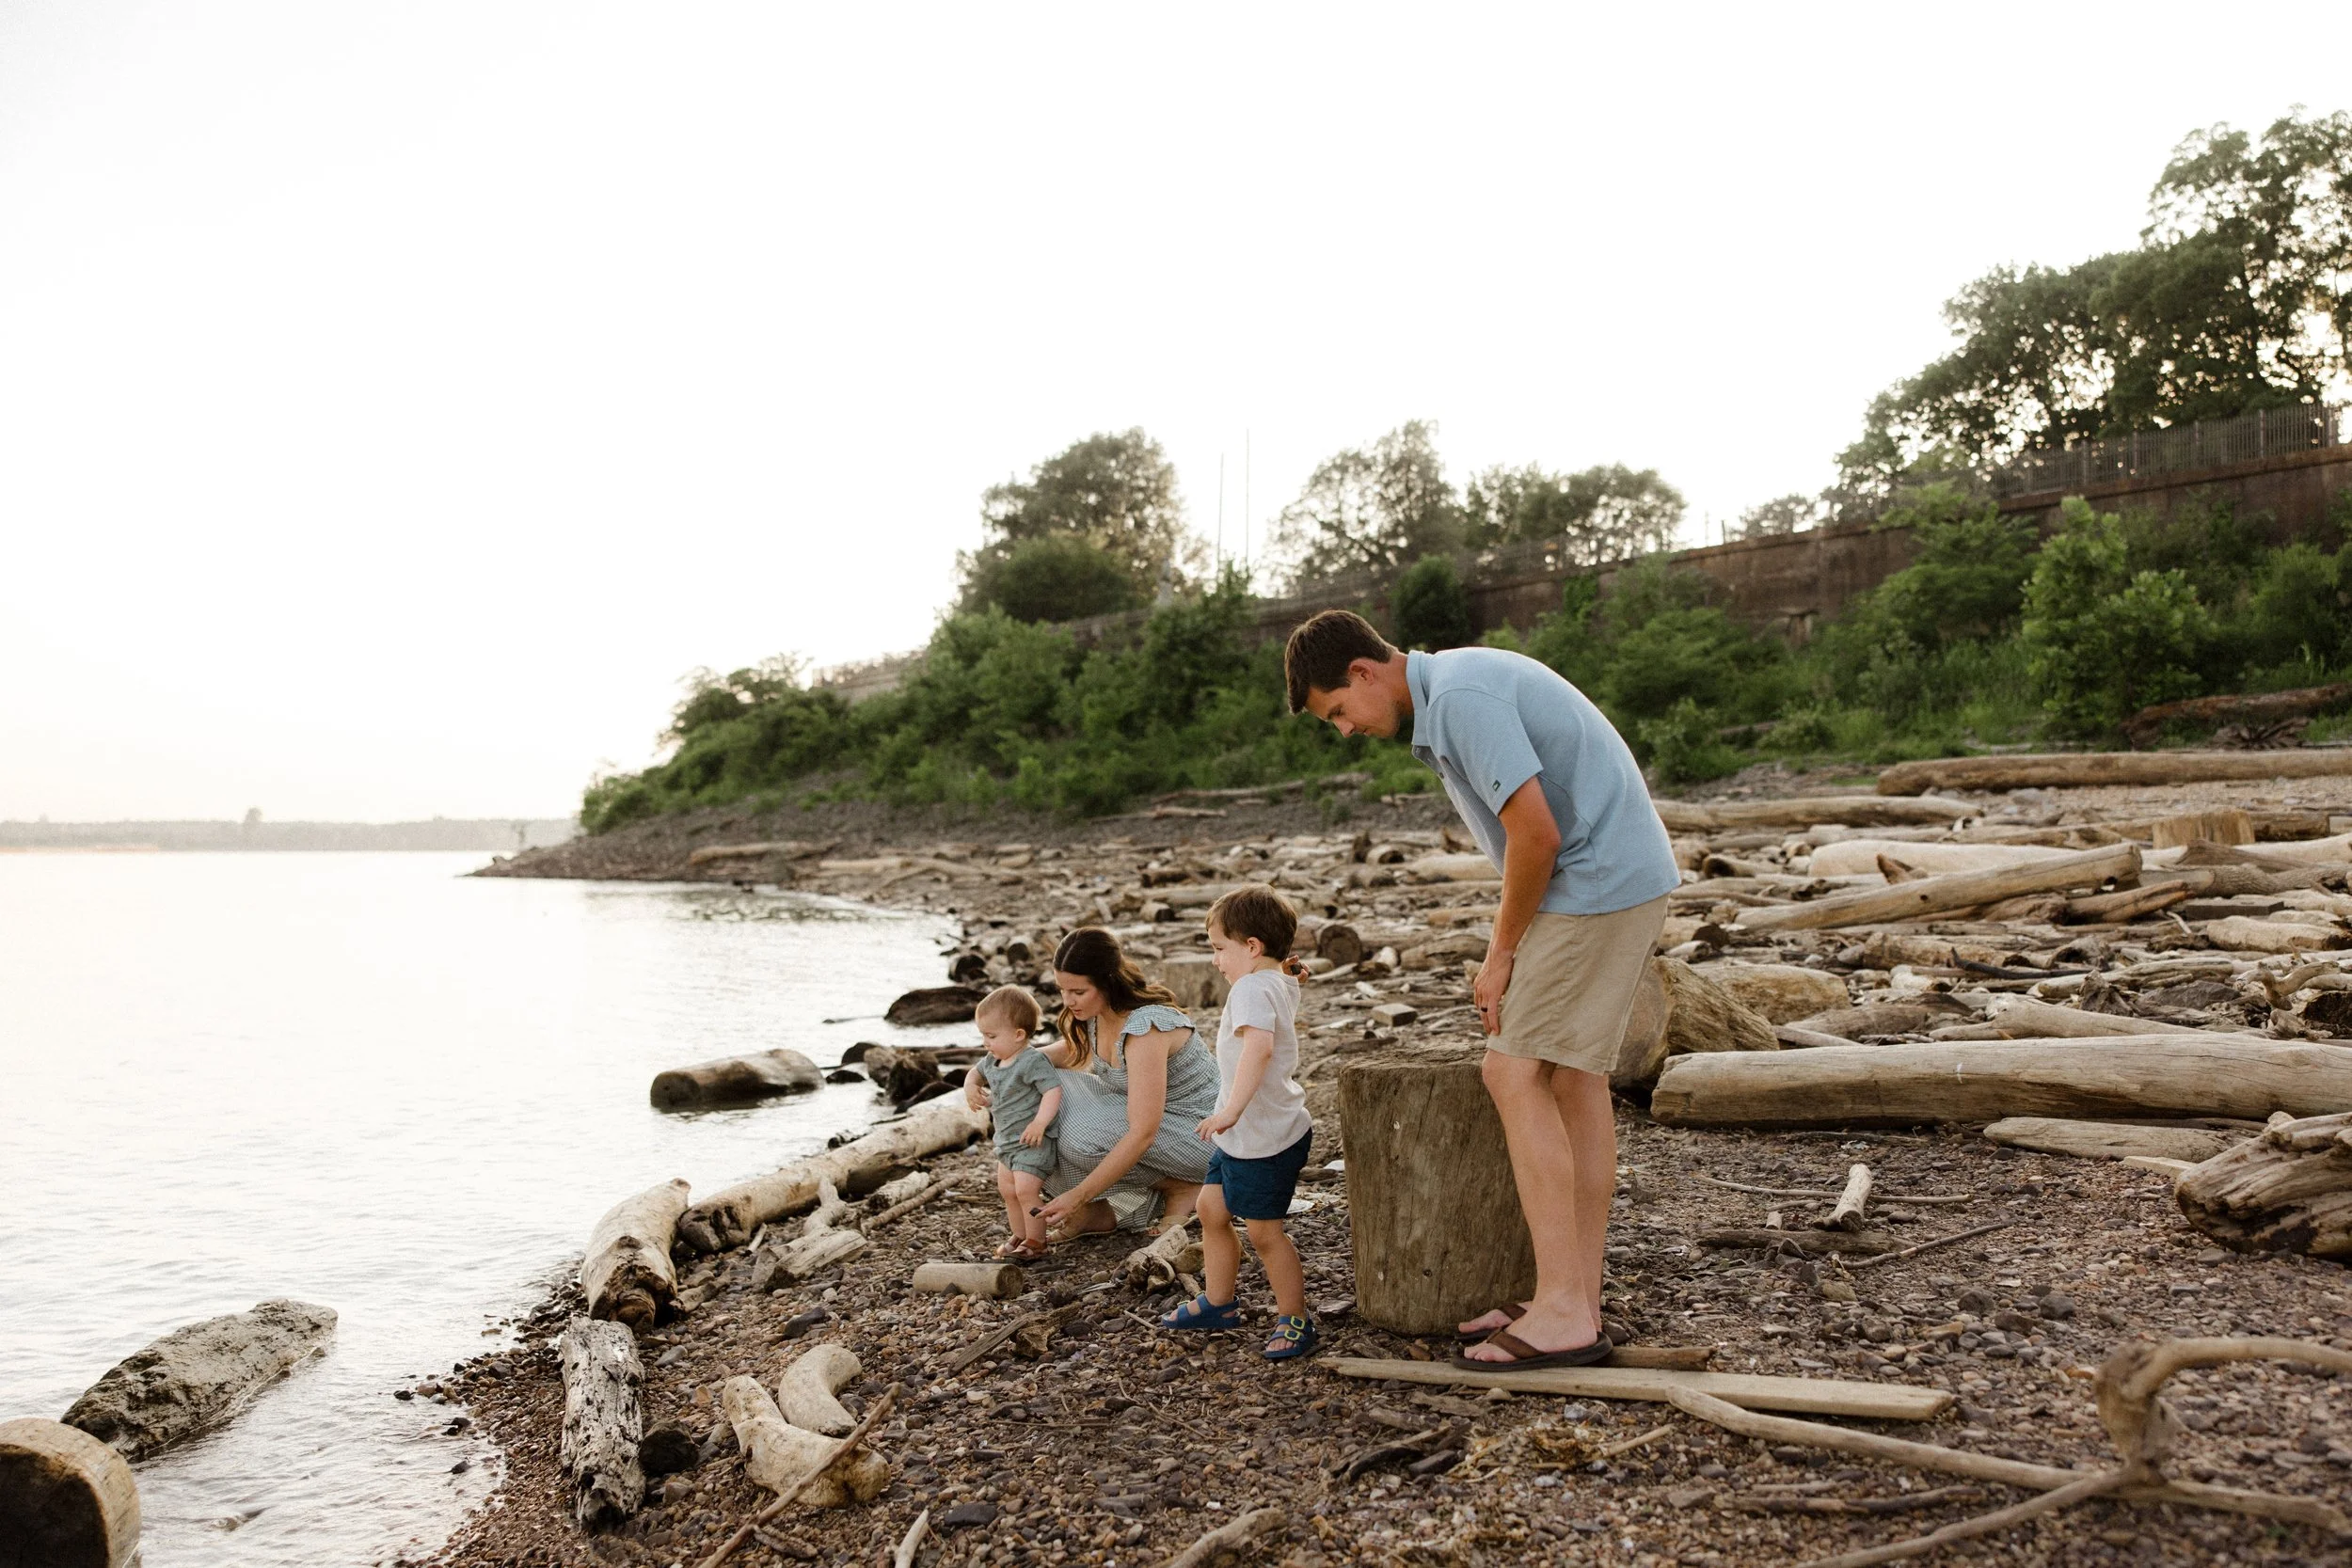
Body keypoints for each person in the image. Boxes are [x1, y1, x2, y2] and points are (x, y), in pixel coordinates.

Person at [1284, 610, 1676, 1370]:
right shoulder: (1450, 694)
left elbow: (1536, 836)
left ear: (1364, 672)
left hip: (1596, 878)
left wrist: (1501, 955)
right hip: (1609, 875)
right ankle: (1574, 1295)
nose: (1344, 730)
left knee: (1511, 1069)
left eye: (1337, 711)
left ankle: (1564, 1309)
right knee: (1571, 1078)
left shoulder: (1461, 698)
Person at [1158, 885, 1317, 1360]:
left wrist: (1229, 1111)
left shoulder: (1251, 987)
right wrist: (1291, 969)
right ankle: (1219, 1302)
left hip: (1262, 1137)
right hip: (1243, 1136)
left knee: (1265, 1233)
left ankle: (1295, 1318)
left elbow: (1260, 1047)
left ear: (1253, 947)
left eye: (1219, 948)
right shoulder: (1273, 980)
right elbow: (1288, 979)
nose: (1214, 961)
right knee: (1211, 1209)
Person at [1030, 927, 1222, 1235]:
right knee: (1027, 1095)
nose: (1068, 1001)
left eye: (1078, 992)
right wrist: (986, 1071)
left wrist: (1078, 1195)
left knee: (1079, 1137)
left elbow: (1143, 1132)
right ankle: (1094, 1213)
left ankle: (1184, 1186)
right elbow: (1040, 1061)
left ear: (1107, 983)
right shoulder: (1097, 1015)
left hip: (1207, 1136)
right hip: (1167, 1129)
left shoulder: (1145, 1029)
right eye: (1062, 990)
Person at [963, 985, 1062, 1262]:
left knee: (1026, 1190)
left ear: (1019, 1035)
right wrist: (970, 1086)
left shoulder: (1032, 1061)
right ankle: (1019, 1235)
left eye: (992, 1036)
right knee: (1007, 1190)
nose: (986, 1042)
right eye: (983, 1035)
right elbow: (975, 1072)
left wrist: (1040, 1123)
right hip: (1006, 1142)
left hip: (1032, 1141)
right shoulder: (993, 1060)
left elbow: (1052, 1090)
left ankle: (1037, 1242)